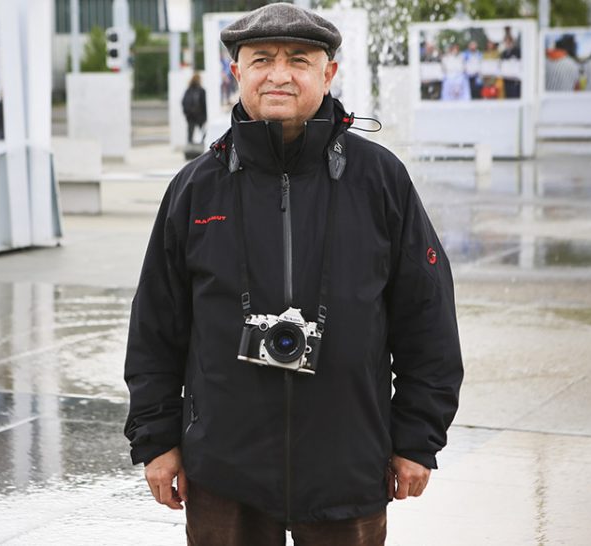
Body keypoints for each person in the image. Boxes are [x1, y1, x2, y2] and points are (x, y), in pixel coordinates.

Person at [123, 3, 463, 545]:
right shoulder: (196, 188)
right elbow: (155, 328)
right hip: (223, 471)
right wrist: (157, 440)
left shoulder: (380, 180)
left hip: (346, 465)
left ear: (328, 73)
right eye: (261, 59)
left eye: (299, 60)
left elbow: (428, 319)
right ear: (237, 72)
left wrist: (417, 438)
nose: (278, 74)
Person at [182, 73, 207, 144]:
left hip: (190, 115)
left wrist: (186, 113)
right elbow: (204, 104)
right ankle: (202, 146)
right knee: (203, 132)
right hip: (199, 115)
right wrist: (205, 116)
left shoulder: (188, 90)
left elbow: (183, 102)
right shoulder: (201, 91)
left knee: (190, 134)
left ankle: (190, 148)